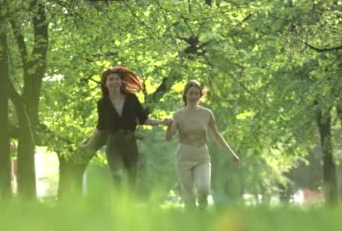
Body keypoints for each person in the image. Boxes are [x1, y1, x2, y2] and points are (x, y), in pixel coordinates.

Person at [80, 66, 171, 194]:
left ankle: (129, 208)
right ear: (105, 84)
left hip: (130, 143)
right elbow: (100, 128)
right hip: (113, 144)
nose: (114, 82)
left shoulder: (131, 98)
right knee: (117, 176)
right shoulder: (102, 103)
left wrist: (162, 122)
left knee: (131, 178)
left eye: (117, 79)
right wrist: (88, 145)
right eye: (110, 80)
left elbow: (143, 119)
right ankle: (119, 207)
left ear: (121, 82)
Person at [165, 80, 241, 208]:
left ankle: (203, 214)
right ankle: (193, 223)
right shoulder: (178, 115)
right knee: (189, 197)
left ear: (200, 95)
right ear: (185, 95)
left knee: (204, 189)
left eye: (196, 93)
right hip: (184, 157)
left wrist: (232, 154)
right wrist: (168, 125)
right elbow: (168, 138)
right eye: (191, 93)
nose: (193, 96)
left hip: (202, 156)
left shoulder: (207, 113)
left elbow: (217, 135)